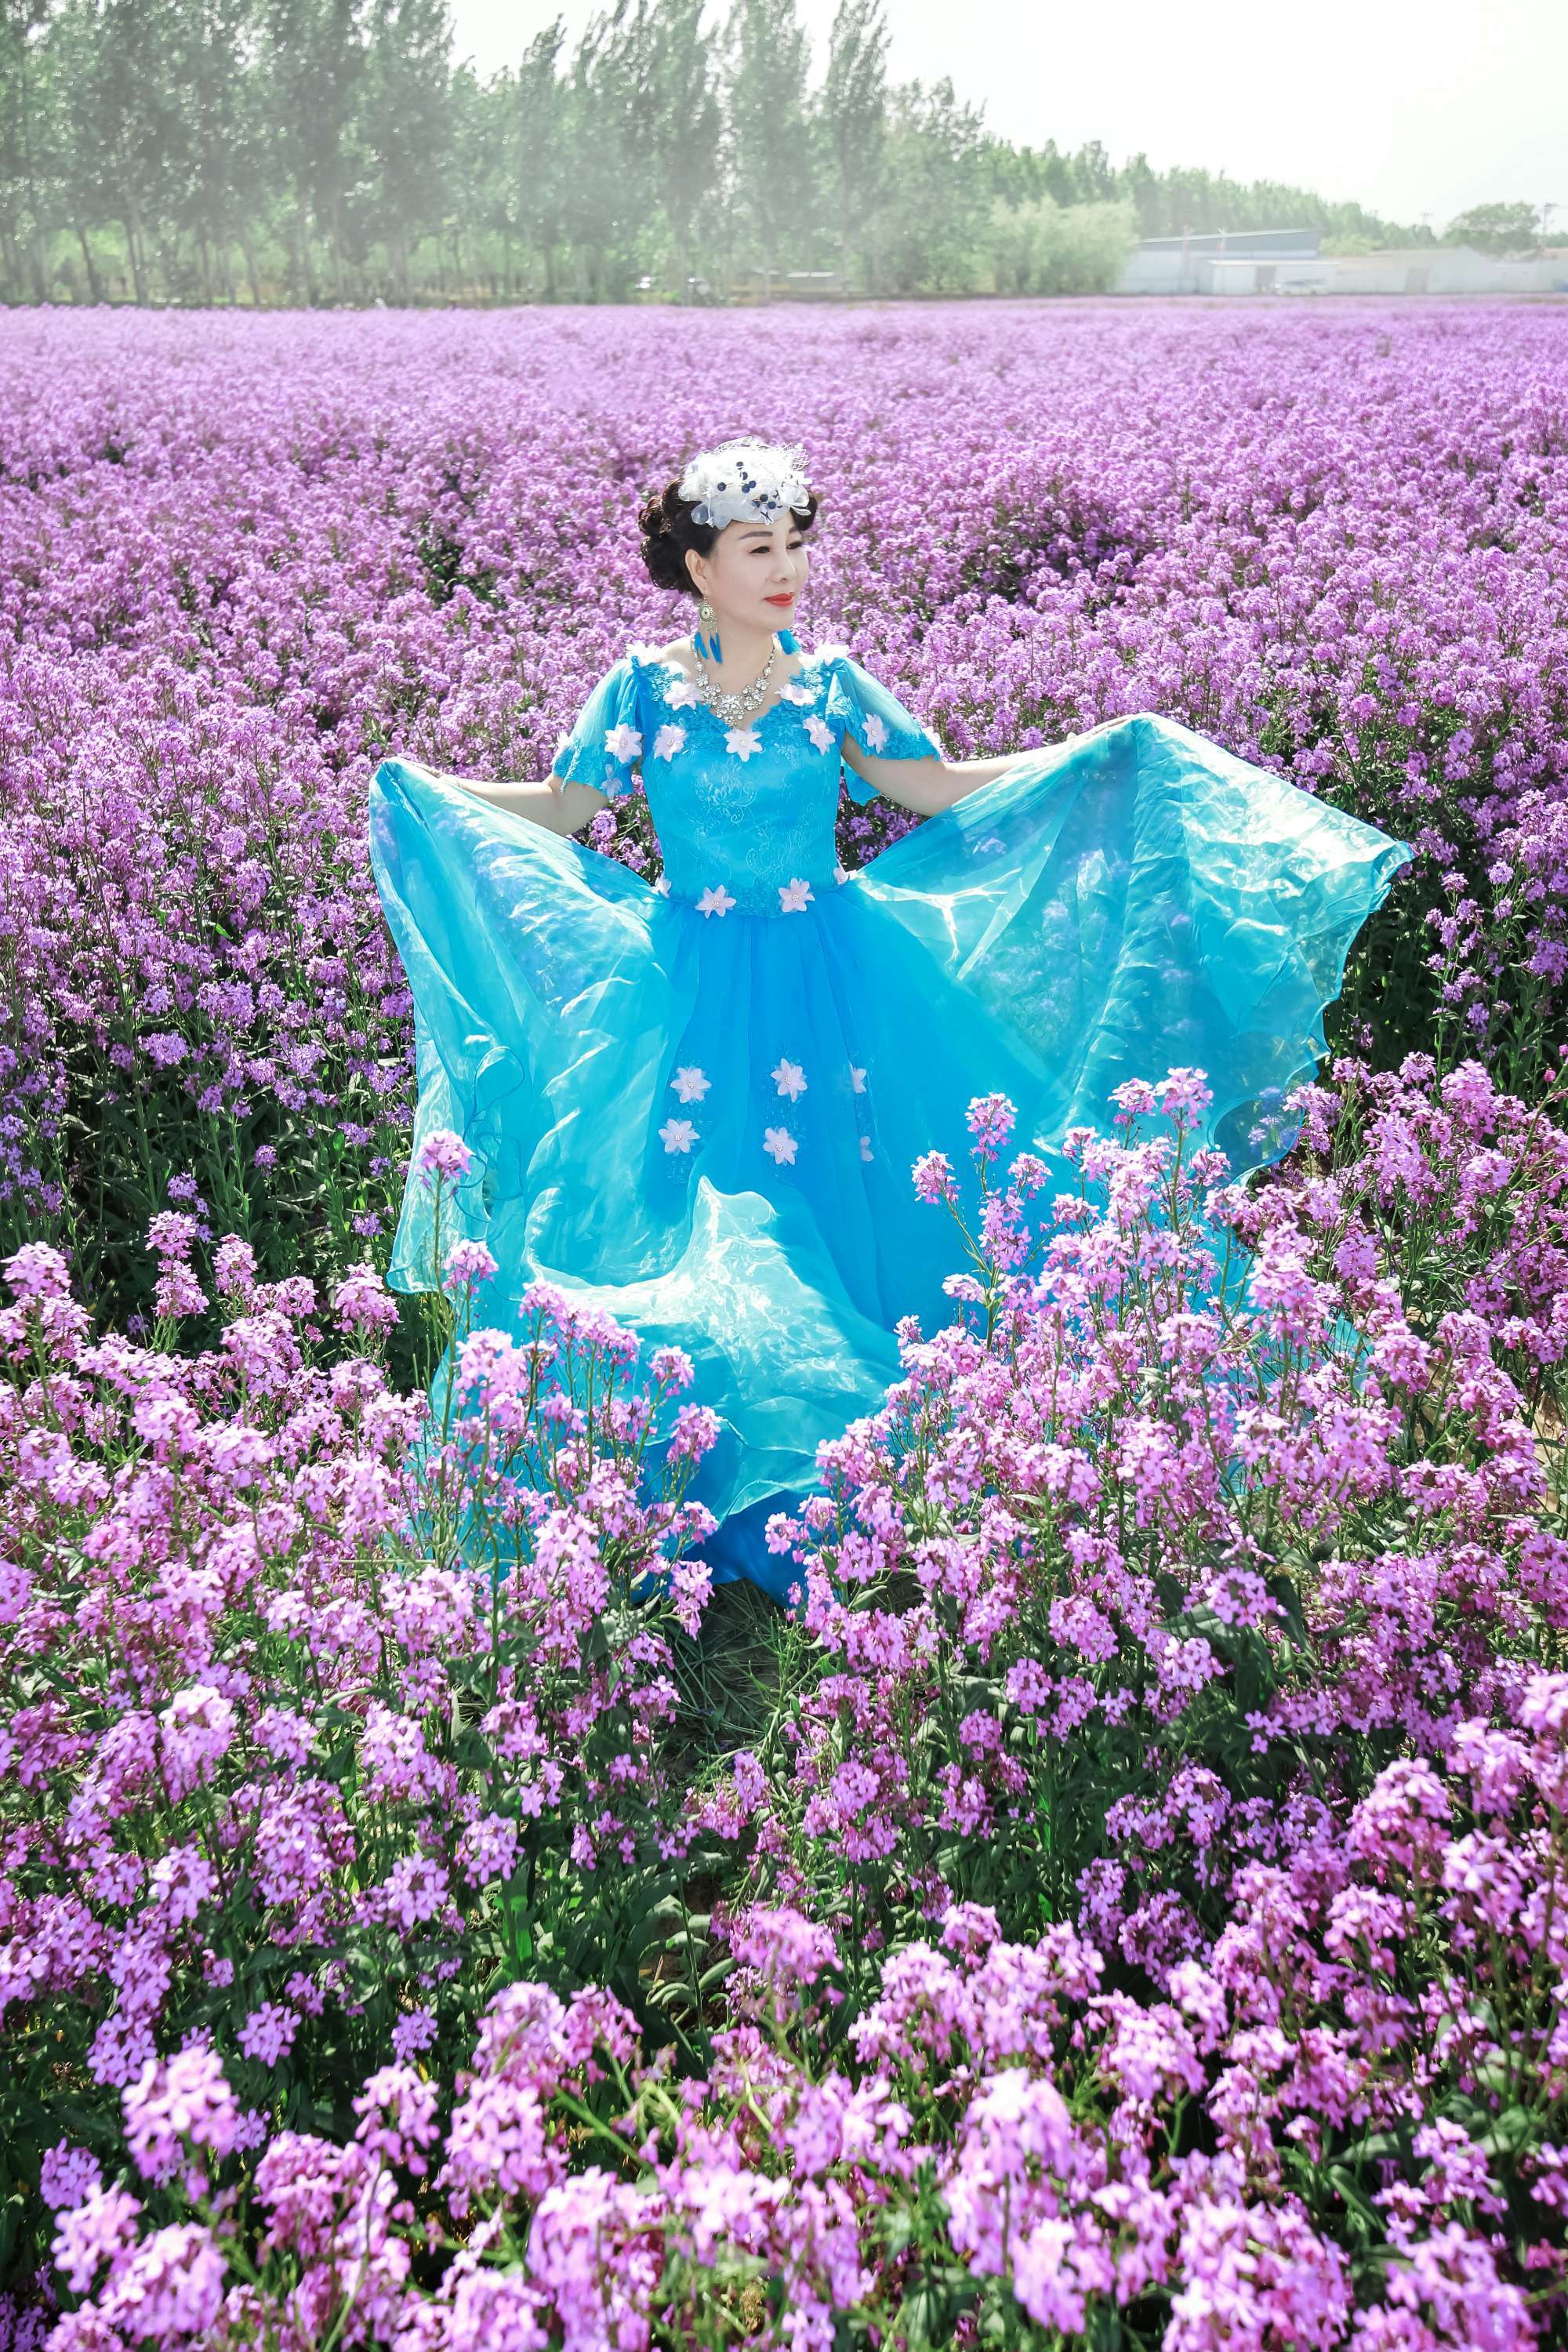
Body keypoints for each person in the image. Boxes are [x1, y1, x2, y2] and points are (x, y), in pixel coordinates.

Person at [368, 434, 1410, 1604]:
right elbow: (568, 808)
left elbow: (936, 788)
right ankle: (715, 1443)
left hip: (834, 973)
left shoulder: (829, 684)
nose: (786, 570)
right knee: (706, 1205)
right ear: (699, 567)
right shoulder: (642, 690)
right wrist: (430, 790)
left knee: (868, 1188)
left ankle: (912, 1415)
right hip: (695, 988)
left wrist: (1103, 750)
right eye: (756, 549)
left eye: (794, 545)